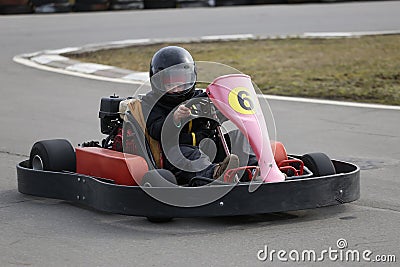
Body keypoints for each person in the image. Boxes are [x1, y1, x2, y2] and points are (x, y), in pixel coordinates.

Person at [141, 46, 256, 185]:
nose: (178, 89)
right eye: (171, 85)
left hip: (208, 146)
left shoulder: (200, 97)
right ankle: (215, 174)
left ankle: (254, 170)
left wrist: (226, 108)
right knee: (190, 155)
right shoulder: (151, 102)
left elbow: (215, 120)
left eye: (182, 83)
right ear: (158, 82)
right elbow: (155, 130)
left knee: (240, 136)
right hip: (176, 155)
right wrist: (174, 119)